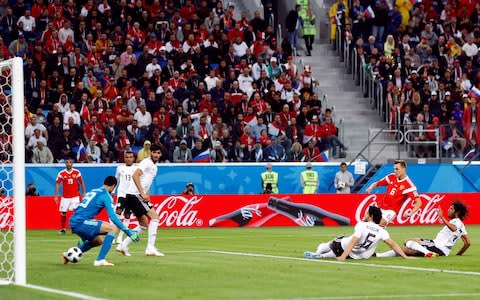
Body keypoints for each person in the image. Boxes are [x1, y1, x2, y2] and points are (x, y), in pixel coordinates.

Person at [62, 176, 140, 267]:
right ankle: (100, 260)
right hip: (81, 222)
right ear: (113, 186)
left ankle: (69, 255)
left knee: (98, 241)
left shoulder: (93, 191)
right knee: (113, 229)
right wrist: (128, 231)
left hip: (75, 221)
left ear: (104, 182)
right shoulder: (105, 195)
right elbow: (113, 217)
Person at [304, 206, 411, 260]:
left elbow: (353, 241)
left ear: (371, 216)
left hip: (343, 247)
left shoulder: (362, 224)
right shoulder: (382, 231)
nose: (365, 213)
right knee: (338, 249)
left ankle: (319, 253)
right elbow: (393, 244)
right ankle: (323, 256)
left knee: (333, 242)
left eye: (367, 212)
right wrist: (405, 257)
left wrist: (343, 257)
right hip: (356, 255)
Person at [116, 144, 164, 257]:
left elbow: (146, 183)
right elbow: (135, 175)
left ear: (160, 154)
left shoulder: (154, 167)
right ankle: (150, 248)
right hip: (135, 195)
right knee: (155, 218)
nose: (156, 155)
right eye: (154, 152)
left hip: (135, 196)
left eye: (158, 153)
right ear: (150, 153)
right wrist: (142, 193)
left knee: (143, 224)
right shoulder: (146, 163)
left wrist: (146, 194)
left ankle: (123, 245)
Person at [377, 201, 470, 258]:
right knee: (407, 245)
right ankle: (378, 255)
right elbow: (467, 243)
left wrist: (442, 217)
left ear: (457, 212)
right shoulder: (462, 225)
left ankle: (428, 253)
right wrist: (458, 255)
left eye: (451, 208)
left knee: (407, 246)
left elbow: (453, 228)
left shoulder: (456, 222)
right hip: (436, 244)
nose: (448, 210)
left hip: (438, 247)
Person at [365, 160, 422, 226]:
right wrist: (371, 187)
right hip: (380, 206)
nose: (395, 171)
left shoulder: (409, 185)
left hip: (391, 211)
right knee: (366, 218)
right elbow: (378, 183)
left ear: (403, 169)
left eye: (397, 169)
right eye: (394, 169)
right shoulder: (392, 177)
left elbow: (419, 202)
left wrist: (410, 213)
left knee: (381, 225)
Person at [54, 159, 87, 235]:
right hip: (65, 197)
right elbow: (58, 184)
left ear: (72, 164)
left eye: (70, 162)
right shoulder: (61, 173)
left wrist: (84, 192)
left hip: (75, 196)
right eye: (67, 162)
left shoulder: (77, 172)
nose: (68, 164)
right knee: (63, 213)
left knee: (76, 212)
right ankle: (63, 229)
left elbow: (81, 182)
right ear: (65, 164)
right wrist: (56, 195)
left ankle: (76, 228)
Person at [114, 150, 136, 244]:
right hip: (122, 194)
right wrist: (113, 191)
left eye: (130, 157)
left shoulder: (137, 168)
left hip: (131, 195)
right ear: (124, 158)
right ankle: (113, 236)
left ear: (133, 158)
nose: (129, 159)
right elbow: (116, 180)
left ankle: (120, 237)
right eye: (127, 157)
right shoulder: (120, 168)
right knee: (117, 214)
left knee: (127, 216)